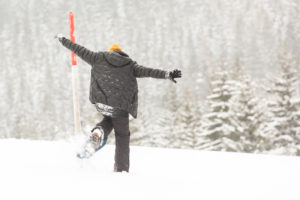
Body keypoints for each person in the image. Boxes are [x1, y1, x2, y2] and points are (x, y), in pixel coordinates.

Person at [55, 34, 182, 172]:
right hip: (120, 107)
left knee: (108, 120)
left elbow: (78, 49)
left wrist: (63, 40)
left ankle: (99, 132)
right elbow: (149, 71)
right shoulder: (130, 65)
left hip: (102, 104)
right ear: (122, 54)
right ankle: (121, 170)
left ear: (111, 52)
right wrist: (167, 74)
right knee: (122, 136)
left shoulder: (97, 58)